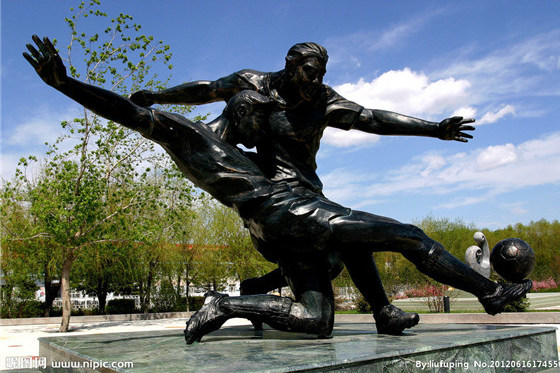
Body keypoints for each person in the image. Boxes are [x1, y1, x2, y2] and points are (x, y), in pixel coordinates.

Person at [24, 36, 532, 345]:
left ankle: (231, 305)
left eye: (319, 76)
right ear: (254, 105)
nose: (313, 84)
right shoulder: (210, 132)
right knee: (407, 235)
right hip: (289, 210)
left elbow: (373, 117)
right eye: (307, 75)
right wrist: (71, 85)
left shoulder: (252, 139)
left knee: (318, 317)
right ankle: (489, 293)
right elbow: (166, 104)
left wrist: (432, 129)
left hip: (289, 212)